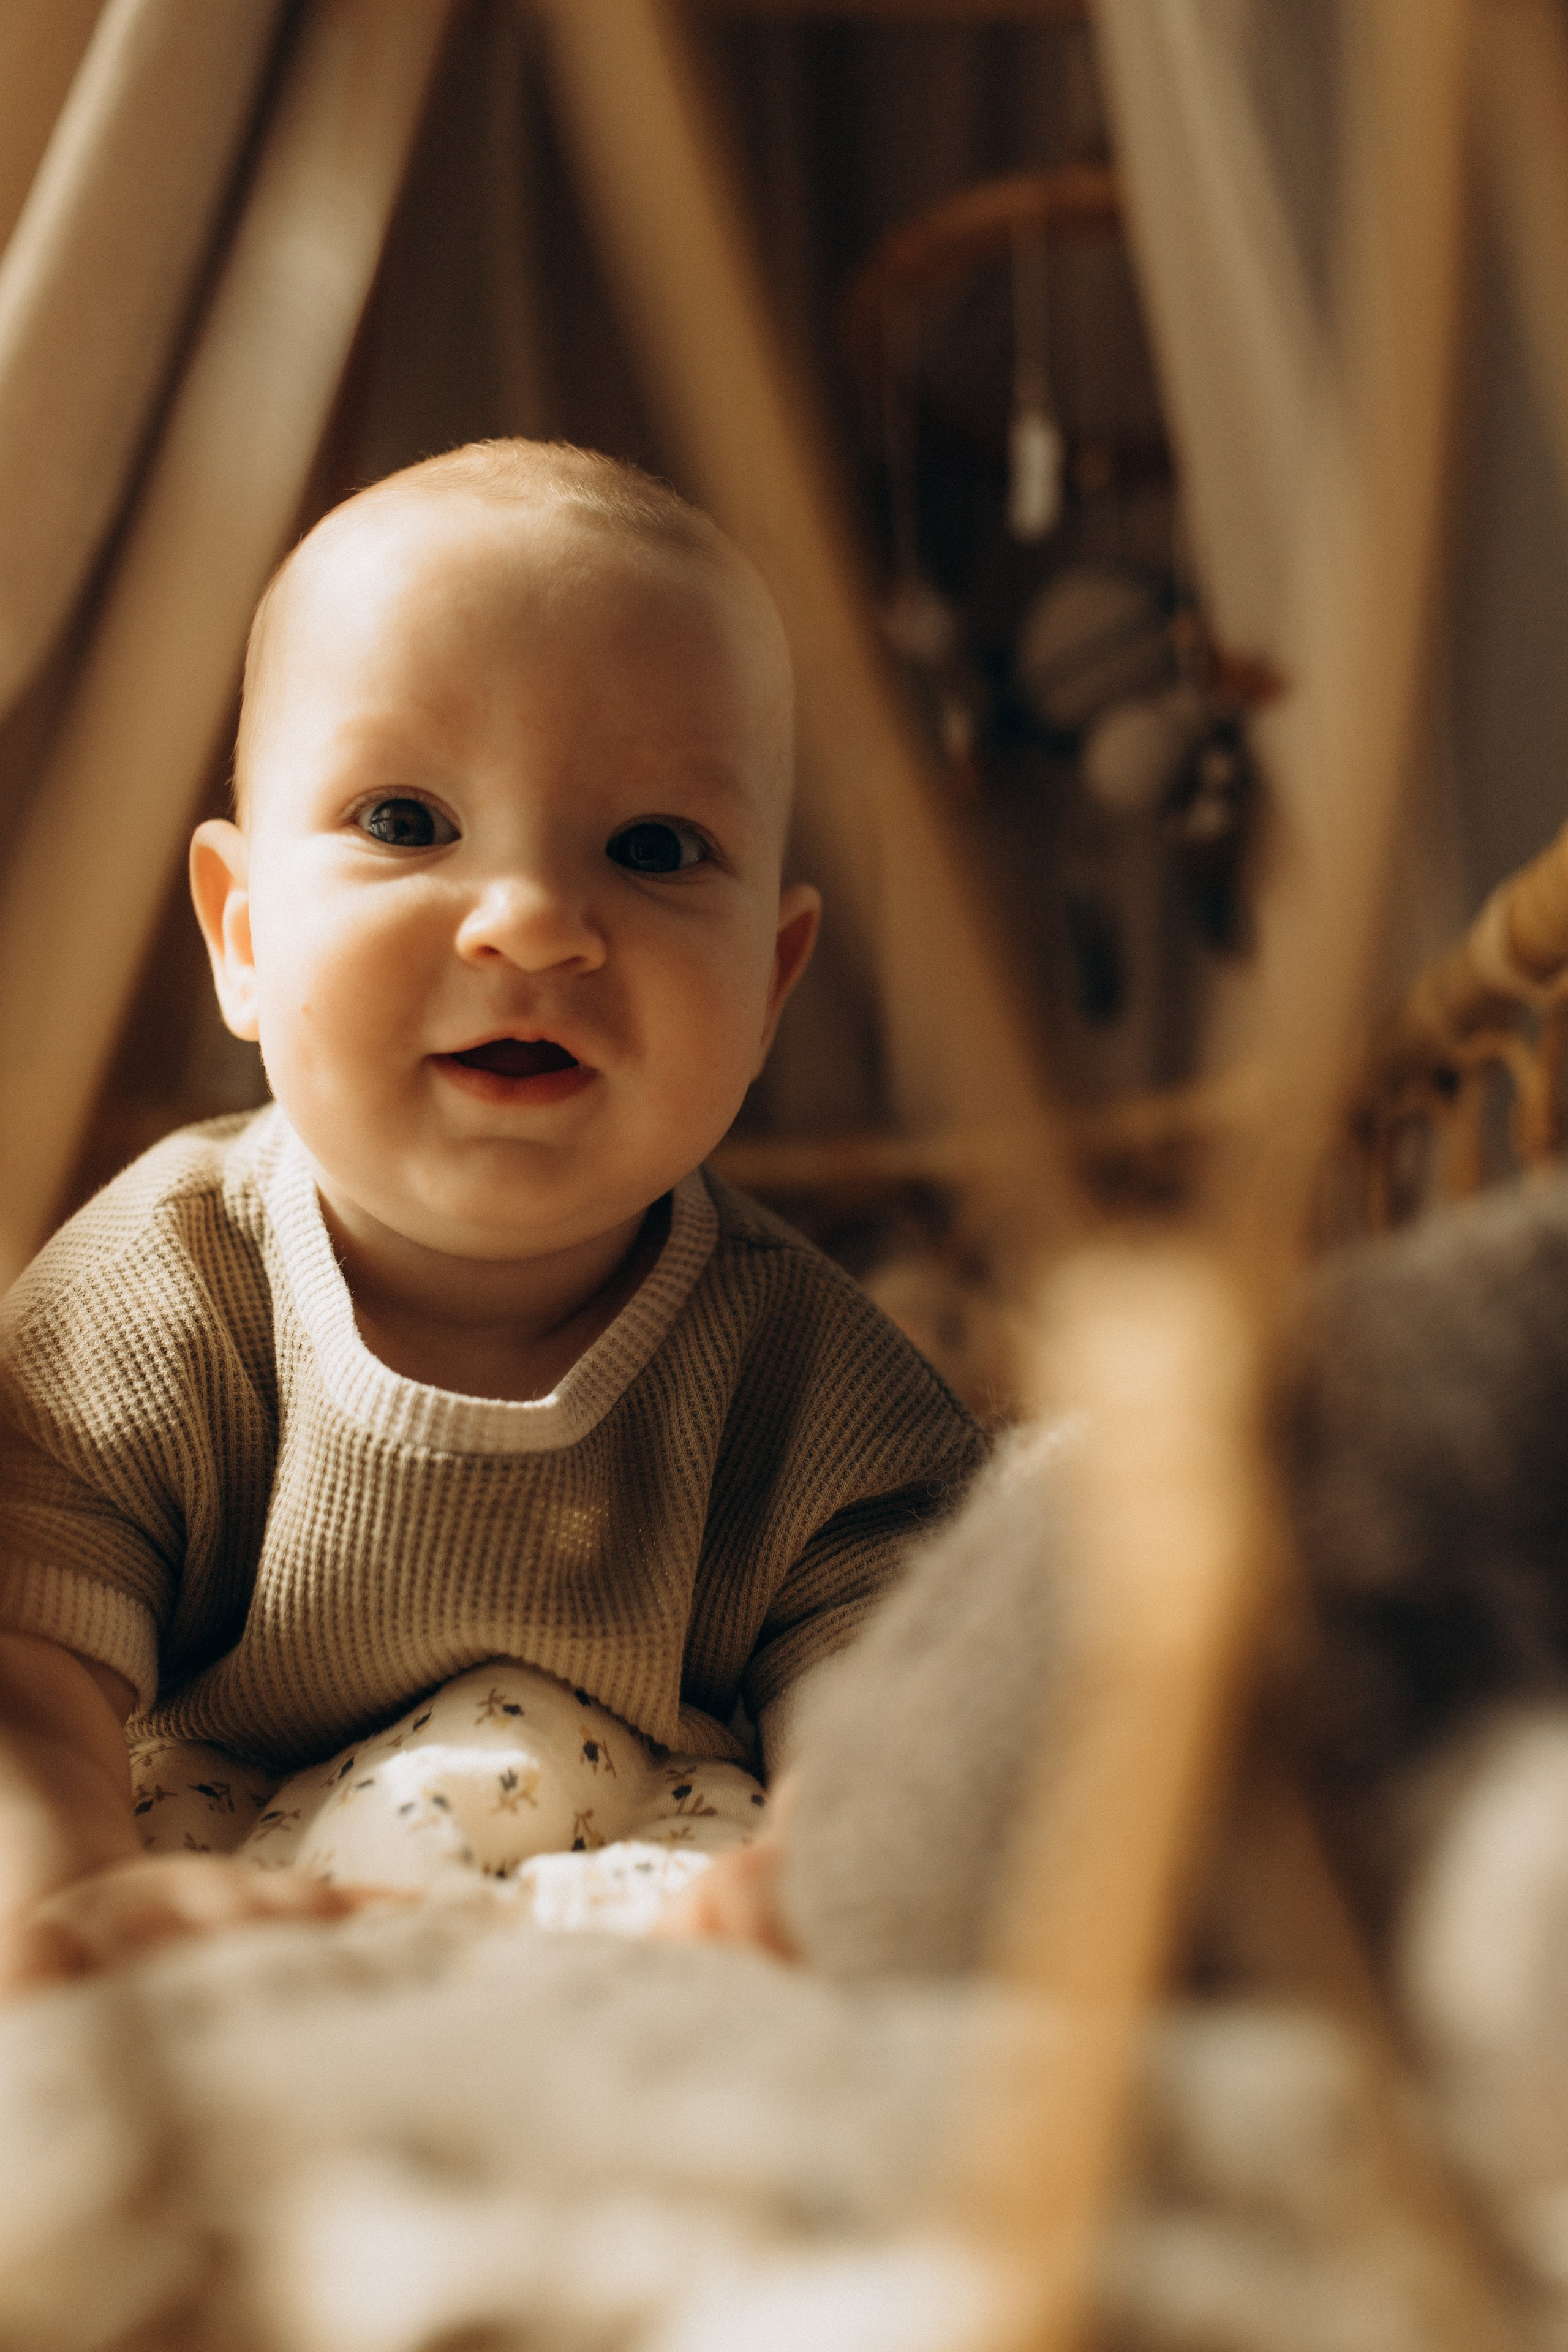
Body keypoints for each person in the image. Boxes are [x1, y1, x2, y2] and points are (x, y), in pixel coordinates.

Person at [0, 440, 983, 1988]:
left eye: (653, 849)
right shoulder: (152, 1298)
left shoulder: (809, 1378)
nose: (529, 919)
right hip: (217, 1906)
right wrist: (62, 1911)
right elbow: (29, 1690)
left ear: (771, 983)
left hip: (634, 1933)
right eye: (404, 820)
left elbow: (912, 1720)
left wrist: (815, 1883)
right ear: (242, 936)